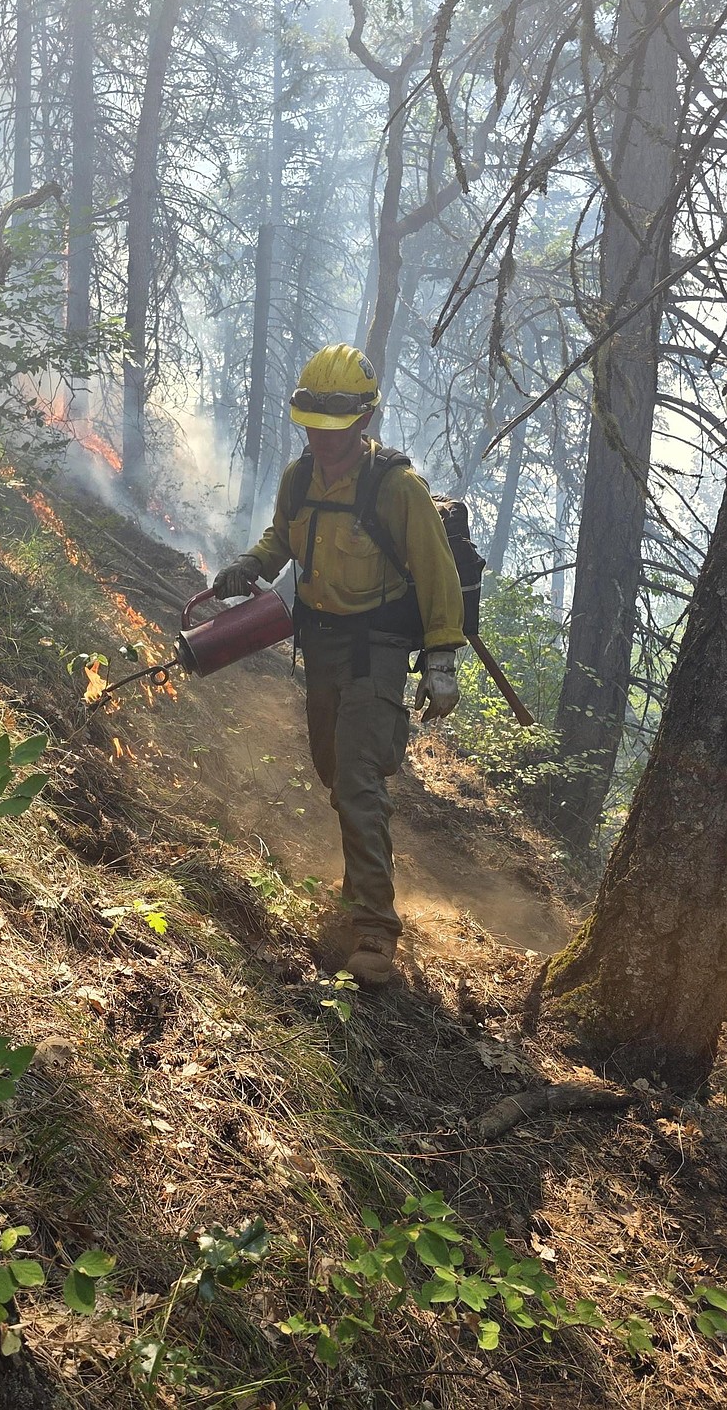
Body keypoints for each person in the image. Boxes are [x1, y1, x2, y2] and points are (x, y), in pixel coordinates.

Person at [213, 344, 466, 987]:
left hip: (377, 648)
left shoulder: (396, 488)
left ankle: (376, 931)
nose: (322, 442)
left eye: (335, 431)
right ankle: (362, 877)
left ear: (363, 422)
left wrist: (441, 658)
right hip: (321, 645)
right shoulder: (299, 479)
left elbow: (438, 574)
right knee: (333, 768)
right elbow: (282, 539)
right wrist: (248, 567)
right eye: (312, 430)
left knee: (354, 778)